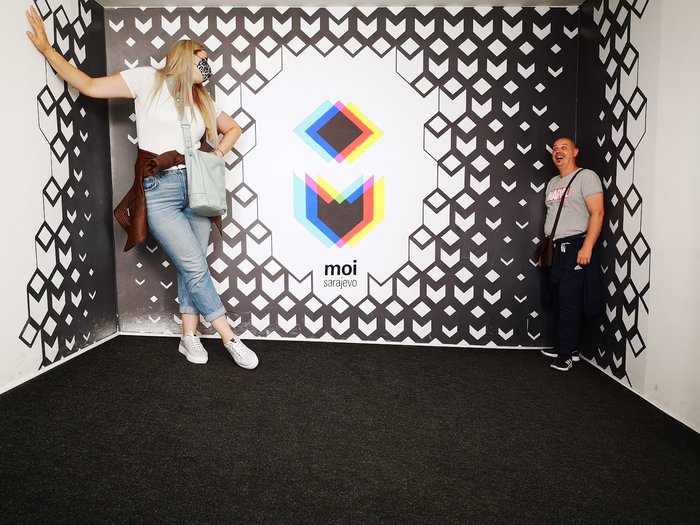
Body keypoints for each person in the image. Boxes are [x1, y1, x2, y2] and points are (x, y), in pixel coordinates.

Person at [26, 6, 258, 369]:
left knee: (192, 264)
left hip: (196, 188)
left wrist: (213, 154)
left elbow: (234, 129)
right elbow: (89, 85)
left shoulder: (203, 100)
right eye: (203, 59)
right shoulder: (148, 79)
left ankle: (188, 337)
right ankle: (230, 338)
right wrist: (47, 50)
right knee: (195, 265)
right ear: (184, 56)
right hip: (159, 189)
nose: (207, 67)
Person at [539, 137, 604, 372]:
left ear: (575, 152)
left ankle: (566, 355)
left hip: (575, 246)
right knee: (558, 297)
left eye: (564, 148)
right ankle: (569, 347)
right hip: (555, 248)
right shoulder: (553, 182)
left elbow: (597, 212)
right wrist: (545, 250)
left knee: (569, 299)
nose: (558, 151)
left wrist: (587, 247)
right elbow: (552, 217)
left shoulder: (586, 177)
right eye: (555, 148)